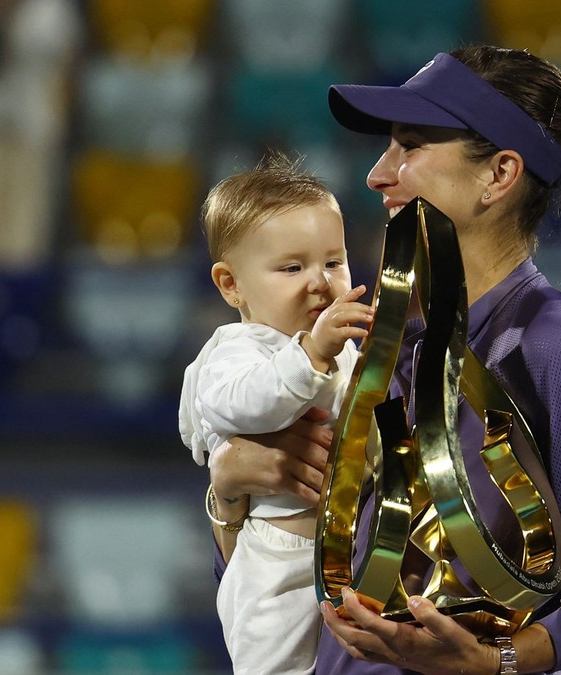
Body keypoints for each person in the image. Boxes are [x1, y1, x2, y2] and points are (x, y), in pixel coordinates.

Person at [206, 46, 561, 674]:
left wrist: (504, 661)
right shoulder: (388, 348)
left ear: (498, 175)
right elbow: (289, 592)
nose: (378, 175)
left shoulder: (551, 347)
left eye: (409, 147)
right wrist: (231, 493)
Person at [179, 153, 375, 675]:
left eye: (333, 262)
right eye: (292, 268)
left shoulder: (340, 343)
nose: (319, 282)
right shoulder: (236, 351)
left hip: (349, 549)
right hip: (276, 555)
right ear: (230, 284)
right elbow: (248, 402)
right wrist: (312, 354)